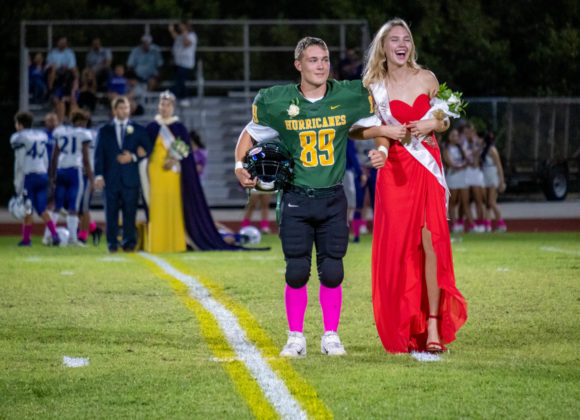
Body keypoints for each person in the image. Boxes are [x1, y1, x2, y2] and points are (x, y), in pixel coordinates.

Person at [234, 37, 386, 357]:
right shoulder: (278, 101)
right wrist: (238, 165)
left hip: (332, 197)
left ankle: (330, 335)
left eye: (325, 59)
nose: (321, 65)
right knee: (296, 270)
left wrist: (382, 149)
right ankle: (296, 336)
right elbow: (249, 133)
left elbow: (377, 124)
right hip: (296, 197)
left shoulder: (348, 95)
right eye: (314, 60)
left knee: (332, 271)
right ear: (298, 65)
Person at [354, 18, 467, 353]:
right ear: (384, 48)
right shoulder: (372, 85)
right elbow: (368, 129)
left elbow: (445, 118)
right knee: (401, 251)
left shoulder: (427, 78)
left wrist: (434, 121)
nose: (401, 44)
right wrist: (380, 148)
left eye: (406, 39)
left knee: (431, 243)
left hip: (427, 170)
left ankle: (433, 324)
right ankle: (405, 321)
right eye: (394, 40)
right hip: (394, 172)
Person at [146, 91, 240, 252]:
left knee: (175, 206)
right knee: (157, 207)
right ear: (158, 106)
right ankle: (157, 243)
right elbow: (145, 150)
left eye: (168, 105)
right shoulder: (151, 127)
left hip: (173, 173)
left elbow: (186, 154)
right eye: (162, 104)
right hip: (155, 172)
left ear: (173, 107)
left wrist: (174, 159)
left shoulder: (179, 127)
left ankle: (176, 242)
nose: (164, 107)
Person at [94, 96, 151, 253]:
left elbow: (149, 150)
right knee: (110, 213)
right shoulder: (104, 130)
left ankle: (129, 243)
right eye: (121, 108)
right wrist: (98, 175)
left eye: (126, 108)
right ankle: (112, 244)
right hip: (110, 179)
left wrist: (133, 157)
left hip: (130, 179)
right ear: (114, 110)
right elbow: (99, 154)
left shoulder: (139, 129)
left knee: (130, 213)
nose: (124, 111)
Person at [10, 111, 60, 246]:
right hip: (42, 174)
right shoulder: (40, 135)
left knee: (28, 209)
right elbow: (45, 159)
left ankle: (26, 239)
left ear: (19, 124)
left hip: (29, 175)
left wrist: (18, 183)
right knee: (42, 208)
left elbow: (19, 162)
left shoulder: (18, 137)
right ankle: (55, 235)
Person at [50, 109, 93, 246]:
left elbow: (54, 156)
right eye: (84, 123)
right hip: (75, 171)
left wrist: (52, 175)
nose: (85, 126)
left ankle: (48, 236)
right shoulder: (83, 134)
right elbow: (85, 159)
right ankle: (73, 239)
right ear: (79, 122)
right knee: (73, 207)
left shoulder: (61, 131)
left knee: (57, 206)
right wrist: (91, 177)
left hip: (61, 170)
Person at [443, 128, 471, 232]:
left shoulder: (461, 148)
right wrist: (460, 166)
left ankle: (463, 222)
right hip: (453, 177)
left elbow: (468, 160)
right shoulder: (447, 149)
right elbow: (449, 163)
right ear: (449, 138)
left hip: (463, 177)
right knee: (453, 202)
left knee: (464, 201)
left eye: (457, 136)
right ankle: (454, 224)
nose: (455, 138)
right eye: (453, 135)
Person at [46, 37, 78, 123]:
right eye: (61, 42)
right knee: (59, 102)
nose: (63, 44)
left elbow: (73, 95)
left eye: (65, 42)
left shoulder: (69, 53)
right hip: (56, 72)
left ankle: (72, 123)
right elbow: (49, 65)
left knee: (73, 103)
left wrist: (67, 98)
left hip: (66, 71)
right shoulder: (52, 53)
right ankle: (60, 123)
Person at [463, 122, 487, 233]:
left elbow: (476, 161)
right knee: (466, 200)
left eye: (471, 131)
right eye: (467, 132)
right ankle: (472, 224)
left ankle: (481, 222)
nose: (469, 134)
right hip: (466, 172)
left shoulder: (479, 142)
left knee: (479, 200)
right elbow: (466, 158)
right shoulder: (463, 143)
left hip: (476, 172)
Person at [481, 132, 507, 232]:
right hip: (486, 177)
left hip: (492, 177)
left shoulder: (492, 150)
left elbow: (499, 166)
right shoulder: (484, 150)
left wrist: (501, 181)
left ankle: (501, 224)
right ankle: (488, 226)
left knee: (491, 202)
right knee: (487, 203)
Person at [168, 20, 198, 106]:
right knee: (178, 80)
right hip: (178, 62)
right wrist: (172, 30)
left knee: (180, 81)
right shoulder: (181, 36)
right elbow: (176, 38)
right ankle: (177, 97)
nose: (180, 28)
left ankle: (183, 97)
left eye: (182, 26)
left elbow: (186, 44)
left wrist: (185, 32)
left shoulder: (192, 36)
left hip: (186, 63)